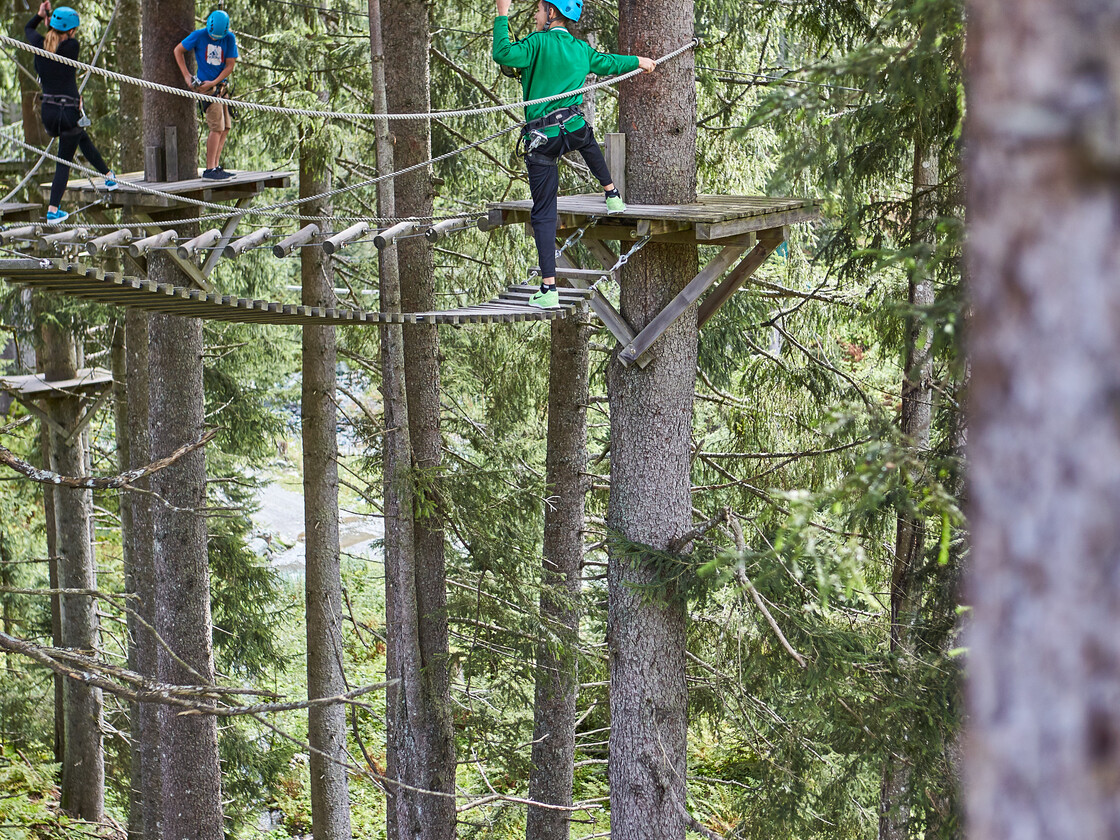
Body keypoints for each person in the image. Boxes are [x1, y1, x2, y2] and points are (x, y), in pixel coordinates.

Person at [493, 0, 655, 308]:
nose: (537, 16)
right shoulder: (581, 50)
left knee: (543, 213)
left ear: (551, 13)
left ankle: (549, 289)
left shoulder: (537, 43)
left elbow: (503, 53)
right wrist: (639, 60)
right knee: (586, 136)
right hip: (572, 130)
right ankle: (612, 194)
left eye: (539, 10)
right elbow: (609, 63)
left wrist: (502, 13)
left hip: (544, 139)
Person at [25, 1, 117, 224]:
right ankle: (53, 210)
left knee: (81, 138)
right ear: (72, 31)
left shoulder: (38, 44)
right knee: (64, 162)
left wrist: (40, 17)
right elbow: (60, 43)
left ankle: (108, 176)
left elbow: (29, 30)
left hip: (48, 112)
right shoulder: (71, 47)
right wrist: (49, 24)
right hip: (67, 112)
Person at [174, 10, 238, 180]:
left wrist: (215, 82)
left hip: (219, 87)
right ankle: (210, 170)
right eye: (213, 37)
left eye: (218, 37)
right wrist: (187, 76)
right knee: (216, 128)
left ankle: (216, 167)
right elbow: (178, 50)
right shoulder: (199, 35)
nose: (215, 39)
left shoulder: (229, 38)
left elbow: (230, 65)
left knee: (225, 128)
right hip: (206, 89)